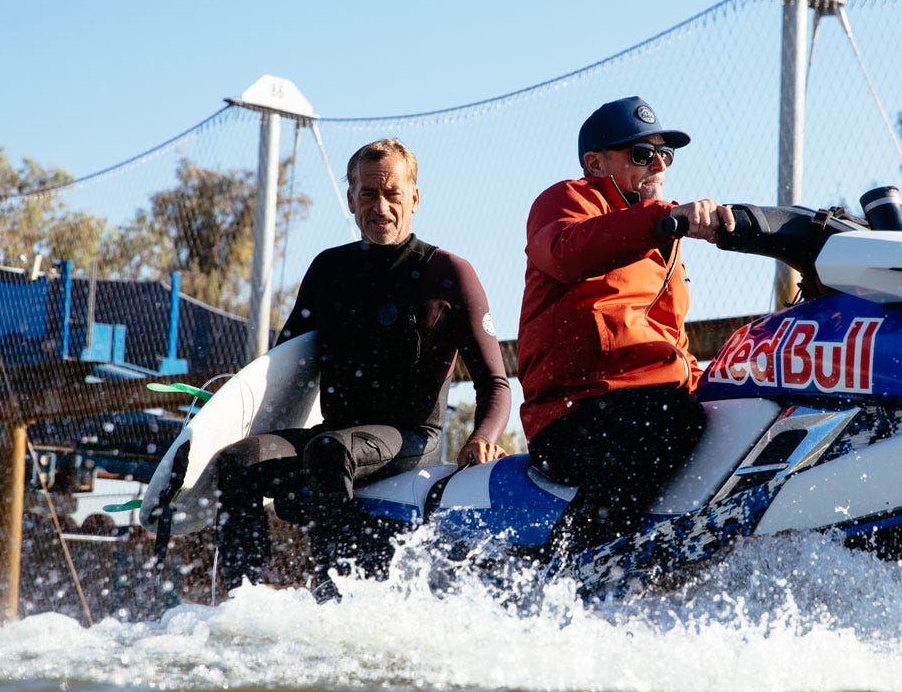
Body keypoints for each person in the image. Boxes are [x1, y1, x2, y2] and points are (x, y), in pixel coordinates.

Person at [212, 138, 512, 595]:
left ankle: (336, 595)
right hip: (338, 435)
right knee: (238, 460)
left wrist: (483, 437)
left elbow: (495, 382)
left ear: (415, 197)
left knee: (330, 451)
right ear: (350, 198)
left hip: (412, 437)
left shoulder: (448, 272)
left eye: (392, 193)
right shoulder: (329, 270)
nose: (381, 207)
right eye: (368, 194)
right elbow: (282, 371)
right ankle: (241, 598)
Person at [516, 96, 735, 560]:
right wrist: (660, 220)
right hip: (572, 415)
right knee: (671, 419)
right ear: (595, 163)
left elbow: (672, 343)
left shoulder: (663, 235)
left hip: (647, 403)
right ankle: (570, 565)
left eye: (665, 154)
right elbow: (566, 251)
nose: (658, 163)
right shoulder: (569, 200)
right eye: (641, 154)